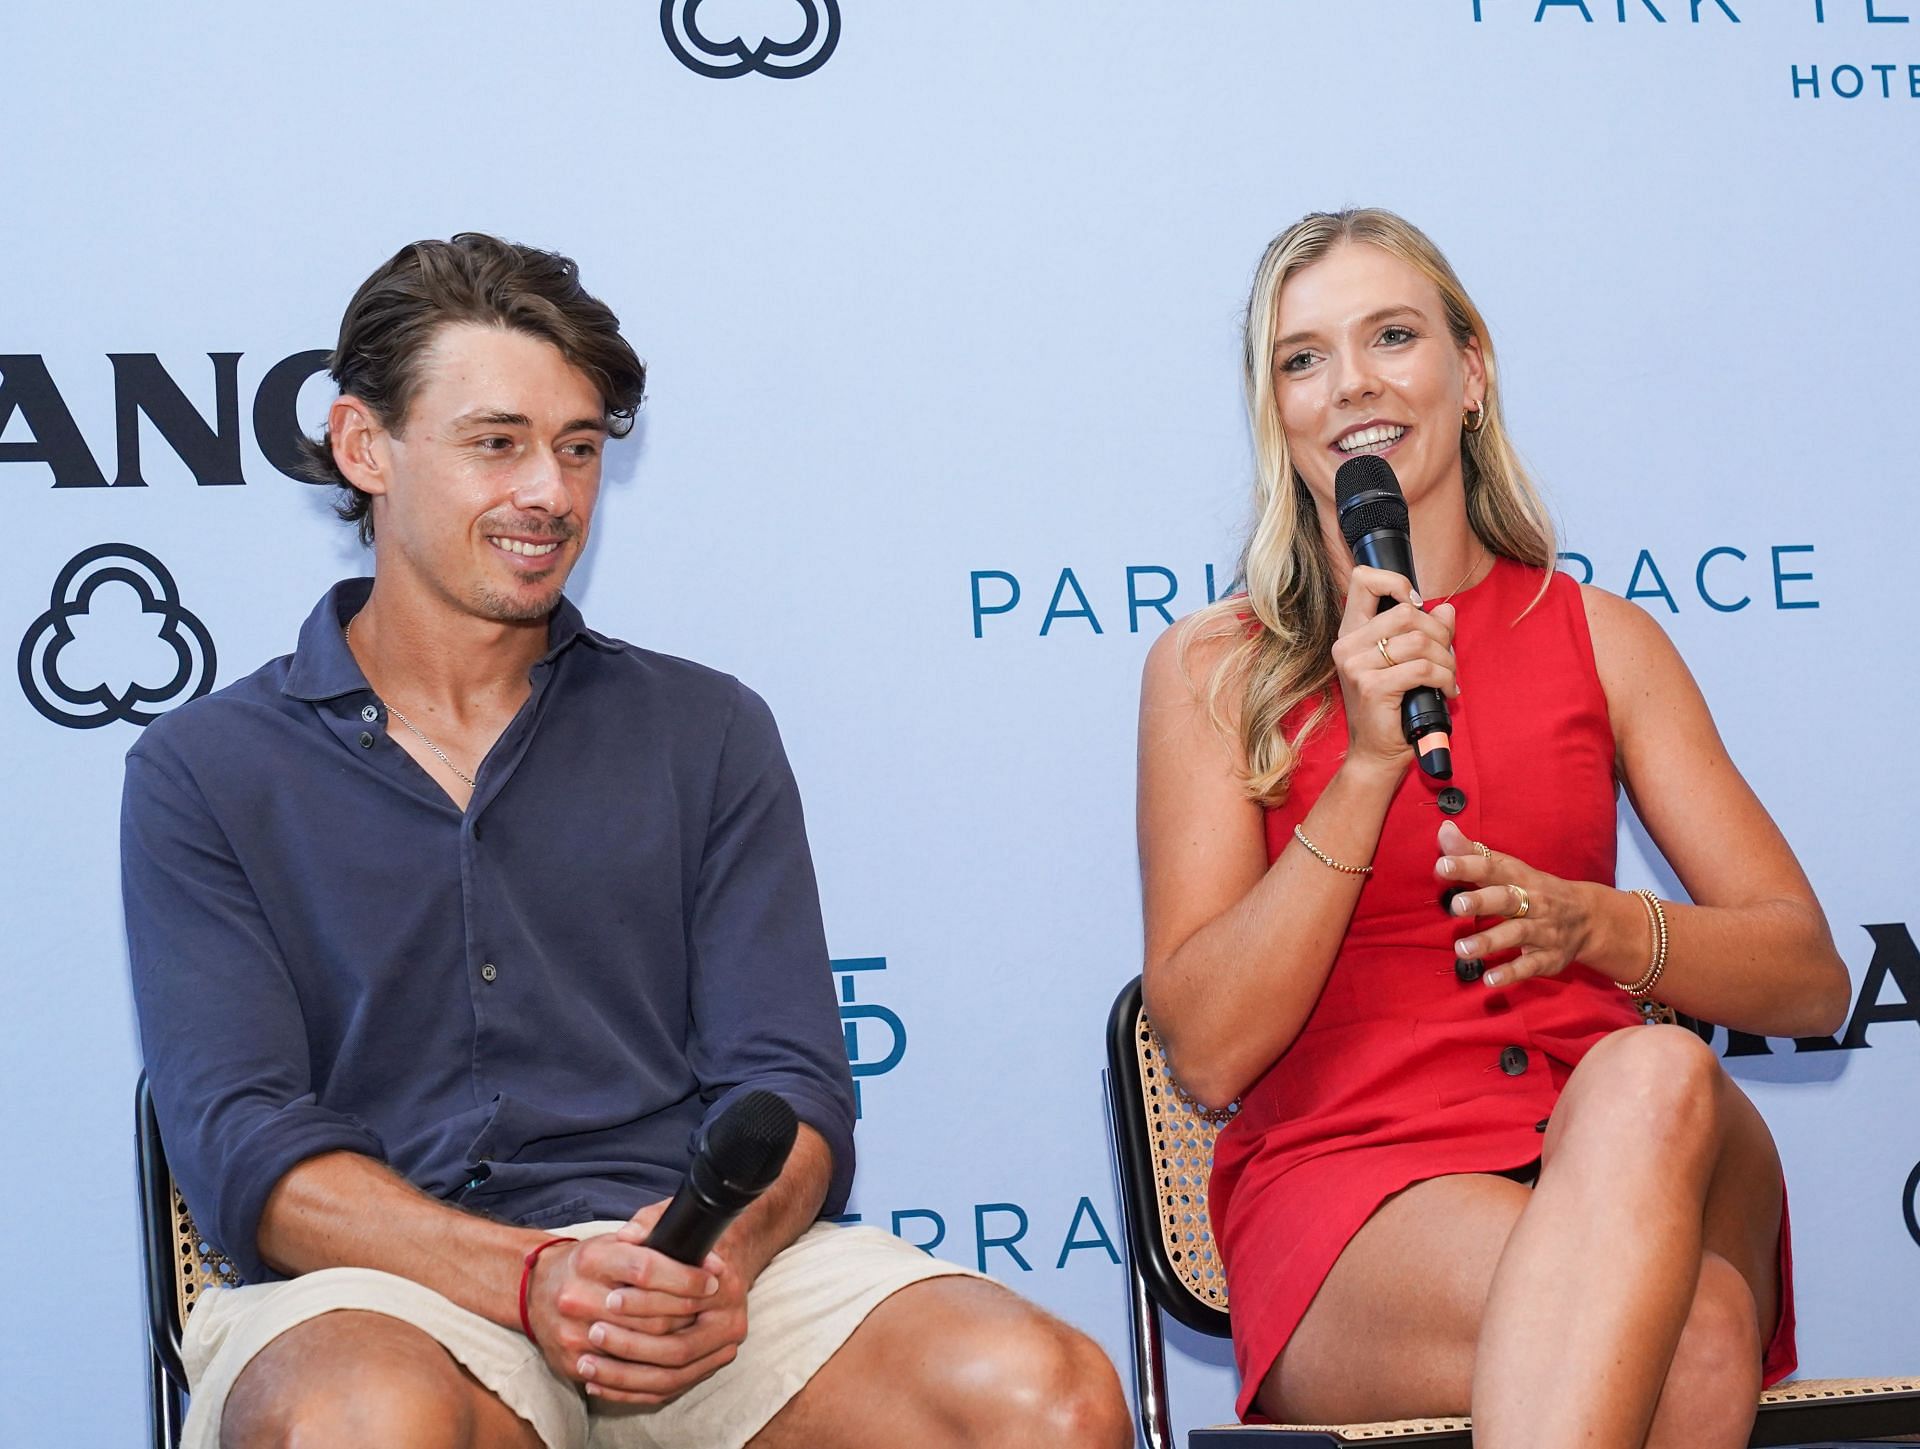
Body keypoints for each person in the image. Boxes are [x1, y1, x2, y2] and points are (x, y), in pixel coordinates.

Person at [124, 233, 1129, 1449]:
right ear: (362, 446)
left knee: (1045, 1399)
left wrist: (719, 1256)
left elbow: (794, 1086)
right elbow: (248, 1144)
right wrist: (525, 1277)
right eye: (497, 443)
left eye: (581, 447)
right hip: (389, 1292)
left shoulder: (704, 729)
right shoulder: (205, 771)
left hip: (694, 1269)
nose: (550, 492)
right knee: (362, 1424)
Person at [1135, 208, 1850, 1449]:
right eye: (1302, 359)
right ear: (1277, 415)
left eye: (1392, 336)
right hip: (1360, 1196)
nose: (1350, 383)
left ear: (1471, 373)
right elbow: (1202, 1052)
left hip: (1642, 1142)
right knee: (1695, 1345)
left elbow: (1808, 977)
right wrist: (1365, 766)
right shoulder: (1212, 668)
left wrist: (1602, 925)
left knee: (1658, 1067)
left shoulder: (1603, 637)